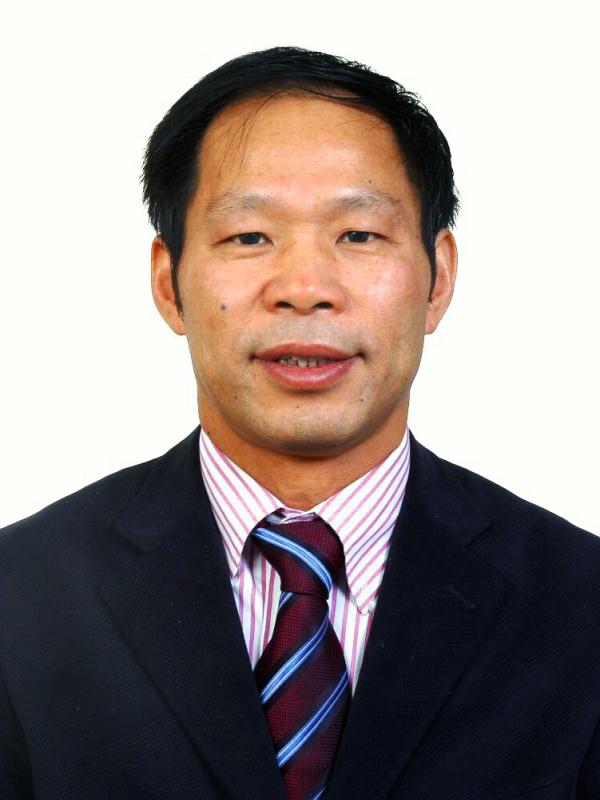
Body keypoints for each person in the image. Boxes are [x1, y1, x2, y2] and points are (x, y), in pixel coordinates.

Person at [0, 45, 599, 800]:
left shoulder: (578, 604)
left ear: (439, 278)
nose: (306, 288)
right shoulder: (20, 596)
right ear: (169, 282)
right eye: (250, 236)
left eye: (360, 234)